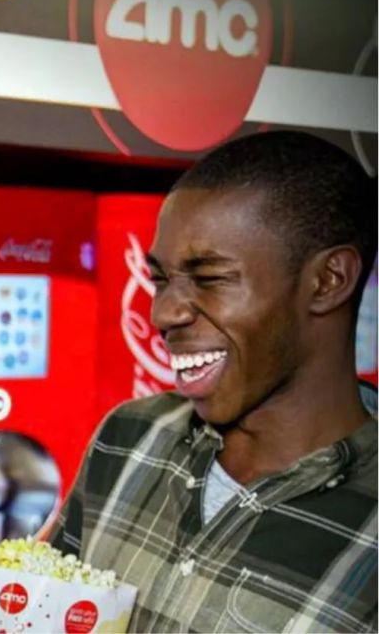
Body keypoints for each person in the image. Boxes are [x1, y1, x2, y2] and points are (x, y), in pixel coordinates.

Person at [50, 131, 377, 633]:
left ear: (328, 280)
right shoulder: (127, 437)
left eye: (210, 279)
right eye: (160, 278)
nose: (163, 312)